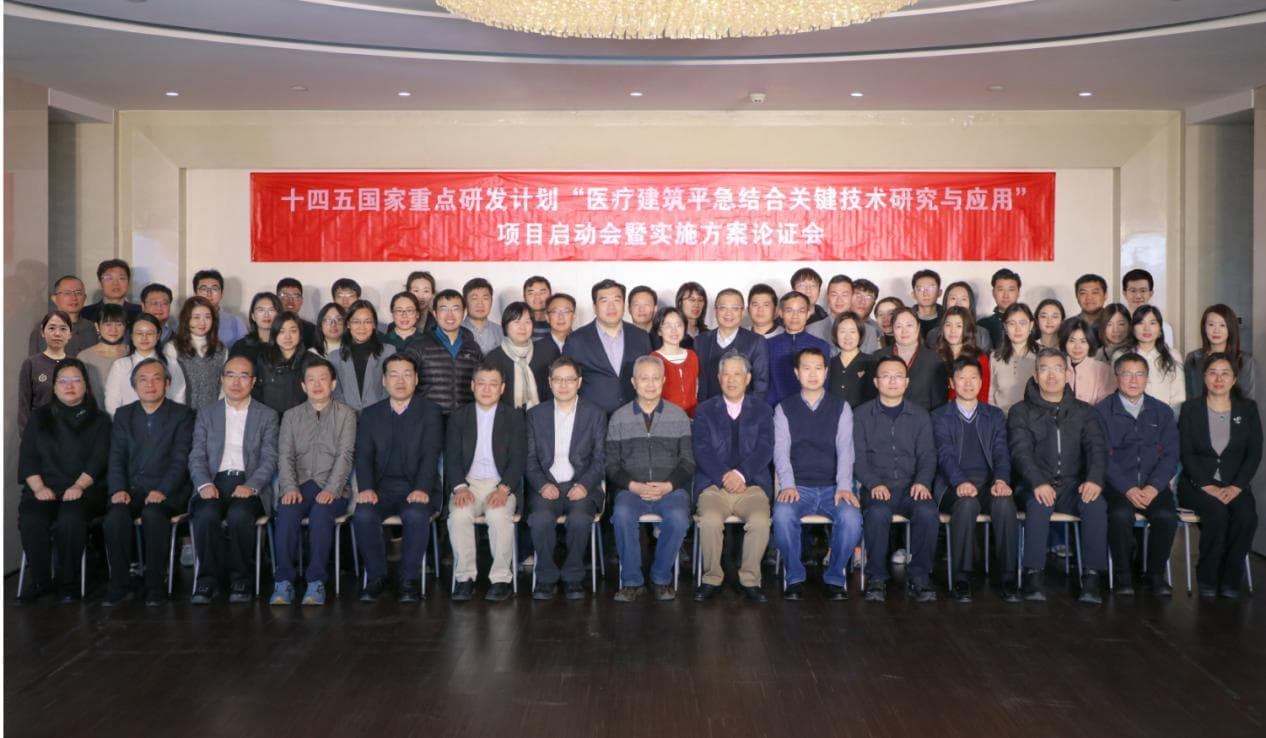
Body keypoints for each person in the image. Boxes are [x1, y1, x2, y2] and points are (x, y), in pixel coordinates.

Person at [1008, 348, 1109, 604]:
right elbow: (1021, 452)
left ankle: (1092, 577)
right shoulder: (1020, 411)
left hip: (1073, 485)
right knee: (1038, 504)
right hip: (1034, 485)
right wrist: (1037, 483)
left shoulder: (1085, 411)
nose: (1051, 375)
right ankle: (1033, 575)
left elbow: (1096, 448)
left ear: (1067, 374)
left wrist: (1094, 479)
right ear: (1035, 375)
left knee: (1095, 504)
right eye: (1044, 369)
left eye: (1057, 369)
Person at [187, 356, 280, 604]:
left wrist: (252, 485)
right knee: (205, 515)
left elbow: (270, 458)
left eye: (243, 376)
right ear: (222, 379)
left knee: (240, 516)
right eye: (230, 375)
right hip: (213, 481)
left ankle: (241, 579)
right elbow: (197, 455)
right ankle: (206, 581)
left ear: (253, 381)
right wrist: (204, 484)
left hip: (249, 482)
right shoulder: (207, 413)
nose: (236, 382)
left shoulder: (267, 415)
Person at [102, 358, 194, 606]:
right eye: (143, 379)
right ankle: (119, 584)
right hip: (132, 489)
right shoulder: (124, 415)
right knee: (115, 517)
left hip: (168, 491)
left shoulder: (182, 415)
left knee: (153, 515)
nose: (150, 385)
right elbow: (116, 457)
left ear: (167, 383)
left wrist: (163, 490)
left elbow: (181, 460)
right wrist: (118, 489)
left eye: (156, 378)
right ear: (134, 386)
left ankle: (155, 585)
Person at [352, 354, 443, 603]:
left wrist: (422, 488)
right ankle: (377, 577)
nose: (400, 381)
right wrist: (366, 487)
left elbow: (431, 454)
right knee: (363, 515)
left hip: (417, 487)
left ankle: (408, 580)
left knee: (415, 514)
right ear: (384, 380)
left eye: (406, 374)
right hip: (381, 489)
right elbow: (363, 456)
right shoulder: (371, 414)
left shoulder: (430, 412)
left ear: (416, 379)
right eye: (393, 375)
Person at [17, 360, 110, 603]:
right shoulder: (39, 417)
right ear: (54, 386)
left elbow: (99, 459)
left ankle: (68, 583)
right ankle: (41, 581)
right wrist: (39, 488)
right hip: (44, 488)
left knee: (70, 519)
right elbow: (28, 458)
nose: (70, 386)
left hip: (85, 490)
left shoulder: (100, 420)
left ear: (86, 386)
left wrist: (79, 486)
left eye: (76, 380)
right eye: (63, 381)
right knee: (32, 518)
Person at [772, 348, 862, 601]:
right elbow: (781, 452)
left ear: (826, 372)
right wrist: (788, 485)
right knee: (782, 515)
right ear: (796, 373)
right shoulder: (784, 408)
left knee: (851, 518)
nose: (813, 374)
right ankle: (794, 576)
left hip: (833, 487)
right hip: (798, 487)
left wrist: (844, 486)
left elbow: (846, 449)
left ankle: (835, 576)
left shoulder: (841, 407)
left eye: (818, 368)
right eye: (806, 368)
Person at [270, 356, 357, 606]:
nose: (317, 385)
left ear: (333, 384)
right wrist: (289, 487)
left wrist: (332, 489)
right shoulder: (291, 416)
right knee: (286, 513)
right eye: (311, 380)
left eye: (323, 379)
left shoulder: (346, 415)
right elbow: (285, 455)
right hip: (299, 485)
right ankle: (283, 581)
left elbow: (345, 455)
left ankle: (315, 581)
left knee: (321, 514)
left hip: (333, 488)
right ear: (303, 386)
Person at [608, 356, 695, 602]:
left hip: (670, 490)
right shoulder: (619, 417)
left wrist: (668, 486)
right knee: (622, 515)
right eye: (644, 378)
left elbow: (688, 462)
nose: (650, 384)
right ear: (633, 382)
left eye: (656, 378)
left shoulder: (678, 416)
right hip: (631, 490)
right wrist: (633, 485)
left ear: (664, 381)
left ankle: (660, 577)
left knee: (679, 518)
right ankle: (632, 581)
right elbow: (611, 464)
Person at [852, 355, 939, 602]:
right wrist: (873, 483)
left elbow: (928, 455)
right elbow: (857, 458)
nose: (892, 381)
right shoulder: (861, 415)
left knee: (927, 512)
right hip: (877, 487)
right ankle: (876, 578)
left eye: (898, 376)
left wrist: (922, 482)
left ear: (907, 382)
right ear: (876, 382)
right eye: (886, 376)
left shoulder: (920, 415)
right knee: (877, 514)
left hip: (912, 487)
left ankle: (919, 578)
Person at [932, 356, 1018, 602]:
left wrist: (1001, 480)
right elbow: (944, 454)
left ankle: (1009, 577)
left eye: (973, 378)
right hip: (951, 485)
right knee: (967, 504)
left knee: (1004, 503)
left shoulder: (994, 415)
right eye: (962, 378)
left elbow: (1001, 452)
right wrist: (960, 482)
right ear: (952, 382)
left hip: (988, 483)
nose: (968, 383)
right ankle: (961, 578)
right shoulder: (939, 416)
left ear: (981, 382)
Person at [1177, 353, 1262, 598]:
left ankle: (1231, 578)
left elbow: (1254, 452)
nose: (1218, 379)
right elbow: (1186, 452)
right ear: (1204, 377)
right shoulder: (1191, 409)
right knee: (1216, 514)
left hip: (1235, 484)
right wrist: (1205, 484)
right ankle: (1207, 577)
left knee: (1246, 517)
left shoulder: (1248, 409)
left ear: (1234, 379)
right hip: (1196, 484)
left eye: (1225, 373)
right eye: (1212, 373)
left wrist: (1236, 486)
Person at [693, 352, 774, 602]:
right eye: (726, 374)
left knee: (760, 521)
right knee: (709, 520)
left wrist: (740, 474)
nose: (731, 379)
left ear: (748, 378)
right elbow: (702, 450)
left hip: (751, 485)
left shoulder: (762, 410)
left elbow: (765, 448)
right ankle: (711, 578)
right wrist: (724, 476)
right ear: (718, 378)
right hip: (714, 485)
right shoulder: (705, 410)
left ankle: (749, 580)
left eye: (737, 374)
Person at [1095, 352, 1179, 596]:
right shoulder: (1101, 411)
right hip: (1117, 486)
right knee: (1120, 515)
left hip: (1154, 485)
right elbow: (1101, 456)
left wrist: (1153, 487)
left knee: (1166, 516)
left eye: (1140, 374)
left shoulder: (1161, 411)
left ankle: (1154, 575)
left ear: (1147, 378)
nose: (1133, 380)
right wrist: (1127, 488)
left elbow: (1171, 455)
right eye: (1127, 374)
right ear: (1117, 377)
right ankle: (1123, 576)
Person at [444, 364, 527, 602]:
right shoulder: (459, 416)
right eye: (481, 383)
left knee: (498, 515)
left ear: (502, 388)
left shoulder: (513, 417)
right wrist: (459, 487)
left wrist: (504, 489)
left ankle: (501, 579)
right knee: (459, 515)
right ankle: (465, 578)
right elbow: (451, 457)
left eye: (493, 384)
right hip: (467, 484)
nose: (487, 389)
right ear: (472, 386)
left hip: (500, 483)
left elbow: (518, 458)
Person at [526, 357, 607, 600]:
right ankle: (546, 578)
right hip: (547, 486)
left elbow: (601, 459)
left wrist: (584, 485)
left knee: (580, 520)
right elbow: (529, 459)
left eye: (569, 380)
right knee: (540, 519)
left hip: (582, 486)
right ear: (549, 383)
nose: (563, 385)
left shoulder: (595, 414)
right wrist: (542, 485)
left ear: (579, 382)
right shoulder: (535, 415)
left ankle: (573, 576)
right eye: (558, 380)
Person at [563, 279, 652, 416]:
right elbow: (567, 382)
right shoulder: (576, 340)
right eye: (604, 301)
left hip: (634, 417)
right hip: (592, 418)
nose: (611, 307)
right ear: (594, 307)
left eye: (616, 300)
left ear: (624, 305)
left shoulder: (641, 337)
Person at [403, 289, 482, 417]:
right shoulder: (418, 346)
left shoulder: (473, 348)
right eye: (444, 309)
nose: (450, 315)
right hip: (428, 419)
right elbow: (405, 384)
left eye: (456, 309)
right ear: (435, 313)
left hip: (465, 419)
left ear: (464, 313)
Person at [695, 288, 770, 403]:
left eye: (735, 308)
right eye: (723, 308)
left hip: (744, 410)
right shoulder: (701, 341)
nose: (728, 313)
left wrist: (746, 410)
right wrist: (703, 409)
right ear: (715, 310)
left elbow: (760, 385)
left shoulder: (756, 342)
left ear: (742, 311)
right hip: (709, 409)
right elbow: (701, 383)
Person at [104, 314, 186, 417]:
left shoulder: (171, 363)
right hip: (128, 422)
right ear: (131, 335)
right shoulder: (120, 365)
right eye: (139, 333)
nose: (144, 338)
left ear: (158, 335)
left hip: (165, 421)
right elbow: (112, 401)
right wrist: (121, 423)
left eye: (149, 333)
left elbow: (179, 396)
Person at [765, 291, 831, 408]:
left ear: (808, 314)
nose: (795, 316)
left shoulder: (821, 346)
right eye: (789, 310)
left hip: (810, 408)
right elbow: (764, 383)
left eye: (801, 311)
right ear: (781, 313)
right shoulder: (768, 345)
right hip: (775, 408)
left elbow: (824, 384)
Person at [328, 300, 396, 413]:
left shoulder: (388, 352)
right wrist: (347, 415)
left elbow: (391, 387)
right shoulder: (334, 357)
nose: (362, 327)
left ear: (374, 324)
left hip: (380, 414)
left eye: (367, 322)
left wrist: (378, 412)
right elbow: (335, 392)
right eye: (356, 322)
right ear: (348, 324)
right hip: (345, 417)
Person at [483, 301, 552, 410]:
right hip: (506, 417)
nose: (522, 327)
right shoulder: (493, 358)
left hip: (541, 416)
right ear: (505, 326)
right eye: (517, 322)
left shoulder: (545, 353)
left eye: (527, 322)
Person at [875, 307, 947, 411]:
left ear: (918, 327)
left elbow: (939, 402)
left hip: (923, 418)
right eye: (899, 326)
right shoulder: (878, 357)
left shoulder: (934, 359)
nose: (904, 331)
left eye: (909, 325)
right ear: (893, 329)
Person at [164, 295, 228, 413]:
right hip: (182, 413)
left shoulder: (221, 349)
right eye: (196, 317)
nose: (202, 322)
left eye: (207, 317)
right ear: (186, 319)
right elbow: (171, 387)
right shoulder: (173, 347)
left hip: (212, 413)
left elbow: (225, 385)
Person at [1184, 304, 1256, 401]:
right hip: (1198, 410)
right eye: (1211, 325)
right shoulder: (1193, 358)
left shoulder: (1244, 360)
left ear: (1230, 328)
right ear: (1204, 327)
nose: (1216, 330)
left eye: (1222, 325)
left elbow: (1248, 400)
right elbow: (1189, 396)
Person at [18, 311, 72, 435]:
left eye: (63, 329)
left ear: (70, 334)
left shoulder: (76, 365)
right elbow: (24, 407)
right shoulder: (31, 364)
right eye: (52, 328)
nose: (57, 333)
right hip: (40, 434)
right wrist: (27, 437)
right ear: (42, 332)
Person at [1128, 305, 1185, 413]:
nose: (1146, 329)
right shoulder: (1122, 355)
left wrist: (1170, 420)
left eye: (1152, 323)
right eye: (1141, 323)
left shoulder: (1173, 355)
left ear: (1160, 330)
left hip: (1165, 418)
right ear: (1133, 329)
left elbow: (1178, 397)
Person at [252, 311, 308, 415]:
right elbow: (256, 393)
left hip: (301, 419)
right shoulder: (264, 359)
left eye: (293, 331)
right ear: (274, 334)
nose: (287, 337)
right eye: (282, 332)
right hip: (269, 419)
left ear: (300, 334)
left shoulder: (310, 361)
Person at [29, 275, 98, 356]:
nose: (74, 298)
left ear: (84, 298)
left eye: (78, 293)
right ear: (54, 299)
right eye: (67, 293)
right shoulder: (44, 328)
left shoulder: (90, 327)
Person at [651, 307, 700, 417]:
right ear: (659, 331)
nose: (674, 330)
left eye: (678, 325)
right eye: (668, 326)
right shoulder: (653, 359)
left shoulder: (692, 356)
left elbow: (696, 389)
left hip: (693, 417)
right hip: (666, 419)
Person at [988, 303, 1037, 415]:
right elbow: (991, 394)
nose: (1017, 329)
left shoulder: (1041, 355)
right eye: (1012, 323)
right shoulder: (995, 357)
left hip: (1032, 419)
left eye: (1022, 323)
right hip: (1001, 418)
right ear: (1005, 327)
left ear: (1031, 325)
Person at [934, 306, 990, 402]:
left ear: (967, 329)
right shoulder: (934, 357)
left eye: (959, 326)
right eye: (948, 325)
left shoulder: (979, 358)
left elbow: (983, 395)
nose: (953, 330)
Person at [78, 304, 130, 407]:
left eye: (119, 324)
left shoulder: (132, 353)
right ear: (97, 326)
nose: (113, 330)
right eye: (108, 324)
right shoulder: (85, 357)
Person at [827, 312, 876, 409]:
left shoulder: (872, 363)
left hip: (862, 417)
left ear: (860, 334)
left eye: (852, 332)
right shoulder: (828, 364)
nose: (847, 337)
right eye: (842, 331)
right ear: (835, 334)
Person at [1062, 318, 1115, 405]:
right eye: (1072, 341)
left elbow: (1107, 405)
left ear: (1090, 343)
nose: (1077, 347)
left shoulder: (1104, 370)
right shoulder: (1058, 368)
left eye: (1083, 341)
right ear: (1064, 342)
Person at [192, 269, 247, 346]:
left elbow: (245, 350)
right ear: (195, 294)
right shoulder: (186, 320)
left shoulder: (236, 322)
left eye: (214, 289)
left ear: (221, 294)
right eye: (204, 289)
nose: (209, 294)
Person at [1121, 268, 1175, 346]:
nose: (1138, 296)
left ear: (1151, 293)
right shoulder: (1118, 327)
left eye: (1143, 291)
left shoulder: (1164, 328)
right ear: (1124, 293)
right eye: (1133, 291)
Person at [80, 258, 142, 324]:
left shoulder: (141, 312)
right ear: (100, 283)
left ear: (129, 283)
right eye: (109, 278)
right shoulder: (85, 313)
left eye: (121, 278)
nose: (115, 283)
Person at [229, 292, 283, 364]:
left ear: (279, 315)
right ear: (253, 316)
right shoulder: (241, 346)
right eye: (261, 310)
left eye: (271, 310)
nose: (266, 315)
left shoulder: (286, 344)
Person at [978, 268, 1021, 349]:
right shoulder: (983, 326)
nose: (1006, 295)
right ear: (993, 293)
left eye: (1011, 290)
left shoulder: (1030, 324)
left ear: (1018, 293)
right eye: (1001, 290)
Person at [461, 277, 502, 355]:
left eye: (485, 298)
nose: (480, 304)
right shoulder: (456, 332)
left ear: (491, 301)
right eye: (474, 298)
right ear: (465, 302)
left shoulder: (501, 332)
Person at [276, 277, 321, 348]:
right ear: (276, 299)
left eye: (295, 296)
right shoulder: (268, 326)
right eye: (285, 296)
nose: (290, 301)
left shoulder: (312, 330)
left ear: (301, 301)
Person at [910, 269, 944, 340]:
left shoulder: (948, 318)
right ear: (913, 294)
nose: (925, 293)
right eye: (920, 289)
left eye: (931, 288)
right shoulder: (906, 318)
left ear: (939, 292)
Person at [850, 279, 882, 352]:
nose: (862, 301)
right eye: (858, 295)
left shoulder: (879, 329)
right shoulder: (832, 324)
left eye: (868, 297)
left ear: (873, 303)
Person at [674, 281, 707, 347]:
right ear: (680, 303)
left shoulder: (709, 335)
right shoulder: (672, 334)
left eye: (700, 300)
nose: (696, 304)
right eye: (692, 300)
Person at [523, 275, 553, 340]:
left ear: (550, 295)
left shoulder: (559, 323)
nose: (537, 297)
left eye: (542, 292)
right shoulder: (518, 326)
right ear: (524, 297)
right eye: (531, 293)